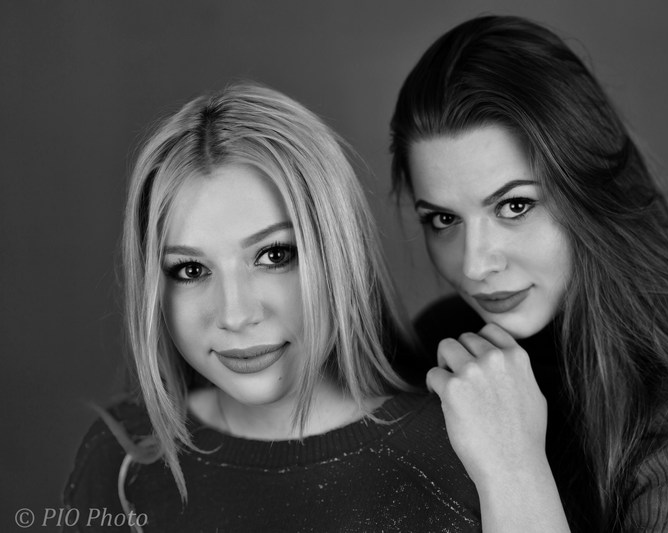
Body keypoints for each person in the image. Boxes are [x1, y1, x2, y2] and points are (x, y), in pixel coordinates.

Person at [389, 15, 668, 532]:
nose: (474, 264)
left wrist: (513, 470)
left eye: (515, 206)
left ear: (589, 192)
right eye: (443, 220)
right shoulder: (445, 348)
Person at [63, 83, 480, 532]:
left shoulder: (463, 454)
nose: (235, 315)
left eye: (274, 255)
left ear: (341, 253)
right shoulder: (121, 461)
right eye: (190, 270)